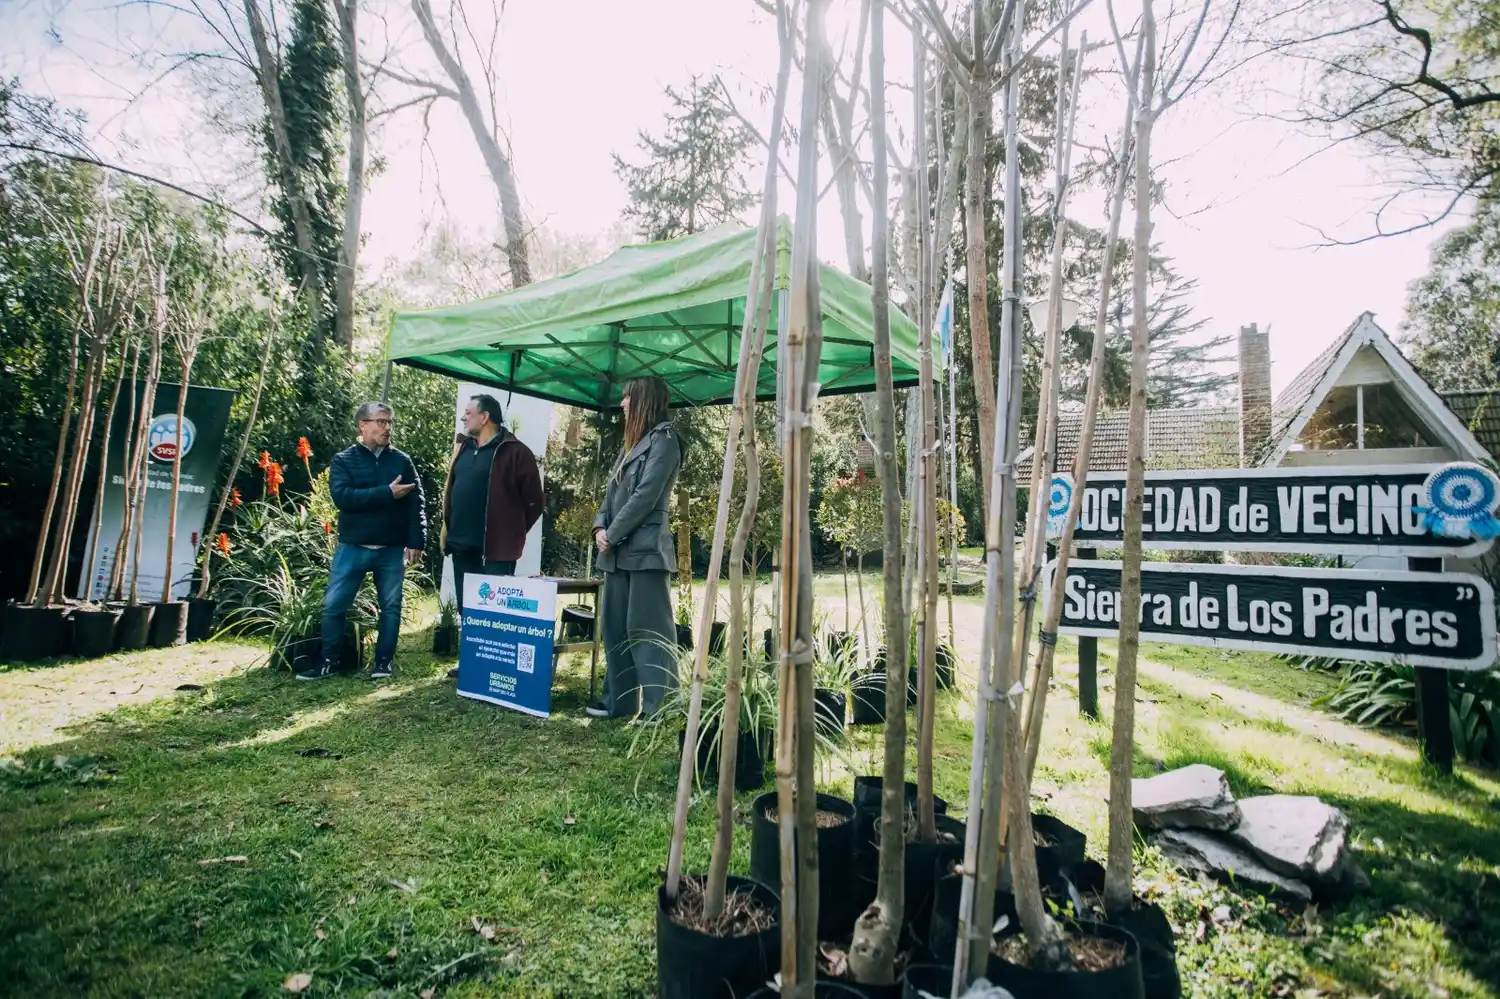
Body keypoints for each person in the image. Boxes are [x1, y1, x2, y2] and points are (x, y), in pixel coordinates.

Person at [301, 401, 426, 682]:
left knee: (391, 607)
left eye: (389, 422)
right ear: (362, 425)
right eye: (381, 422)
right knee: (333, 606)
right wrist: (386, 493)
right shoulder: (344, 460)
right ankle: (328, 662)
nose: (387, 428)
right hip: (353, 546)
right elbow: (343, 498)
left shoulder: (402, 461)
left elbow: (416, 504)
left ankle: (383, 663)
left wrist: (417, 540)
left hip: (390, 548)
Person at [587, 376, 682, 719]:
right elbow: (611, 493)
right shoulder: (631, 443)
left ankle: (663, 709)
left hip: (645, 552)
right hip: (615, 554)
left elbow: (646, 496)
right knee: (614, 628)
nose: (623, 404)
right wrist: (599, 526)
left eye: (628, 398)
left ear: (644, 401)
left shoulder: (665, 440)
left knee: (649, 631)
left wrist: (611, 533)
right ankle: (620, 703)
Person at [441, 393, 545, 677]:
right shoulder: (463, 448)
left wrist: (511, 532)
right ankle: (471, 664)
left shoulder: (515, 452)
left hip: (495, 549)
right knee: (468, 609)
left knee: (494, 612)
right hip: (462, 545)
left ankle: (494, 668)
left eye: (468, 413)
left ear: (485, 417)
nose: (464, 418)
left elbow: (534, 502)